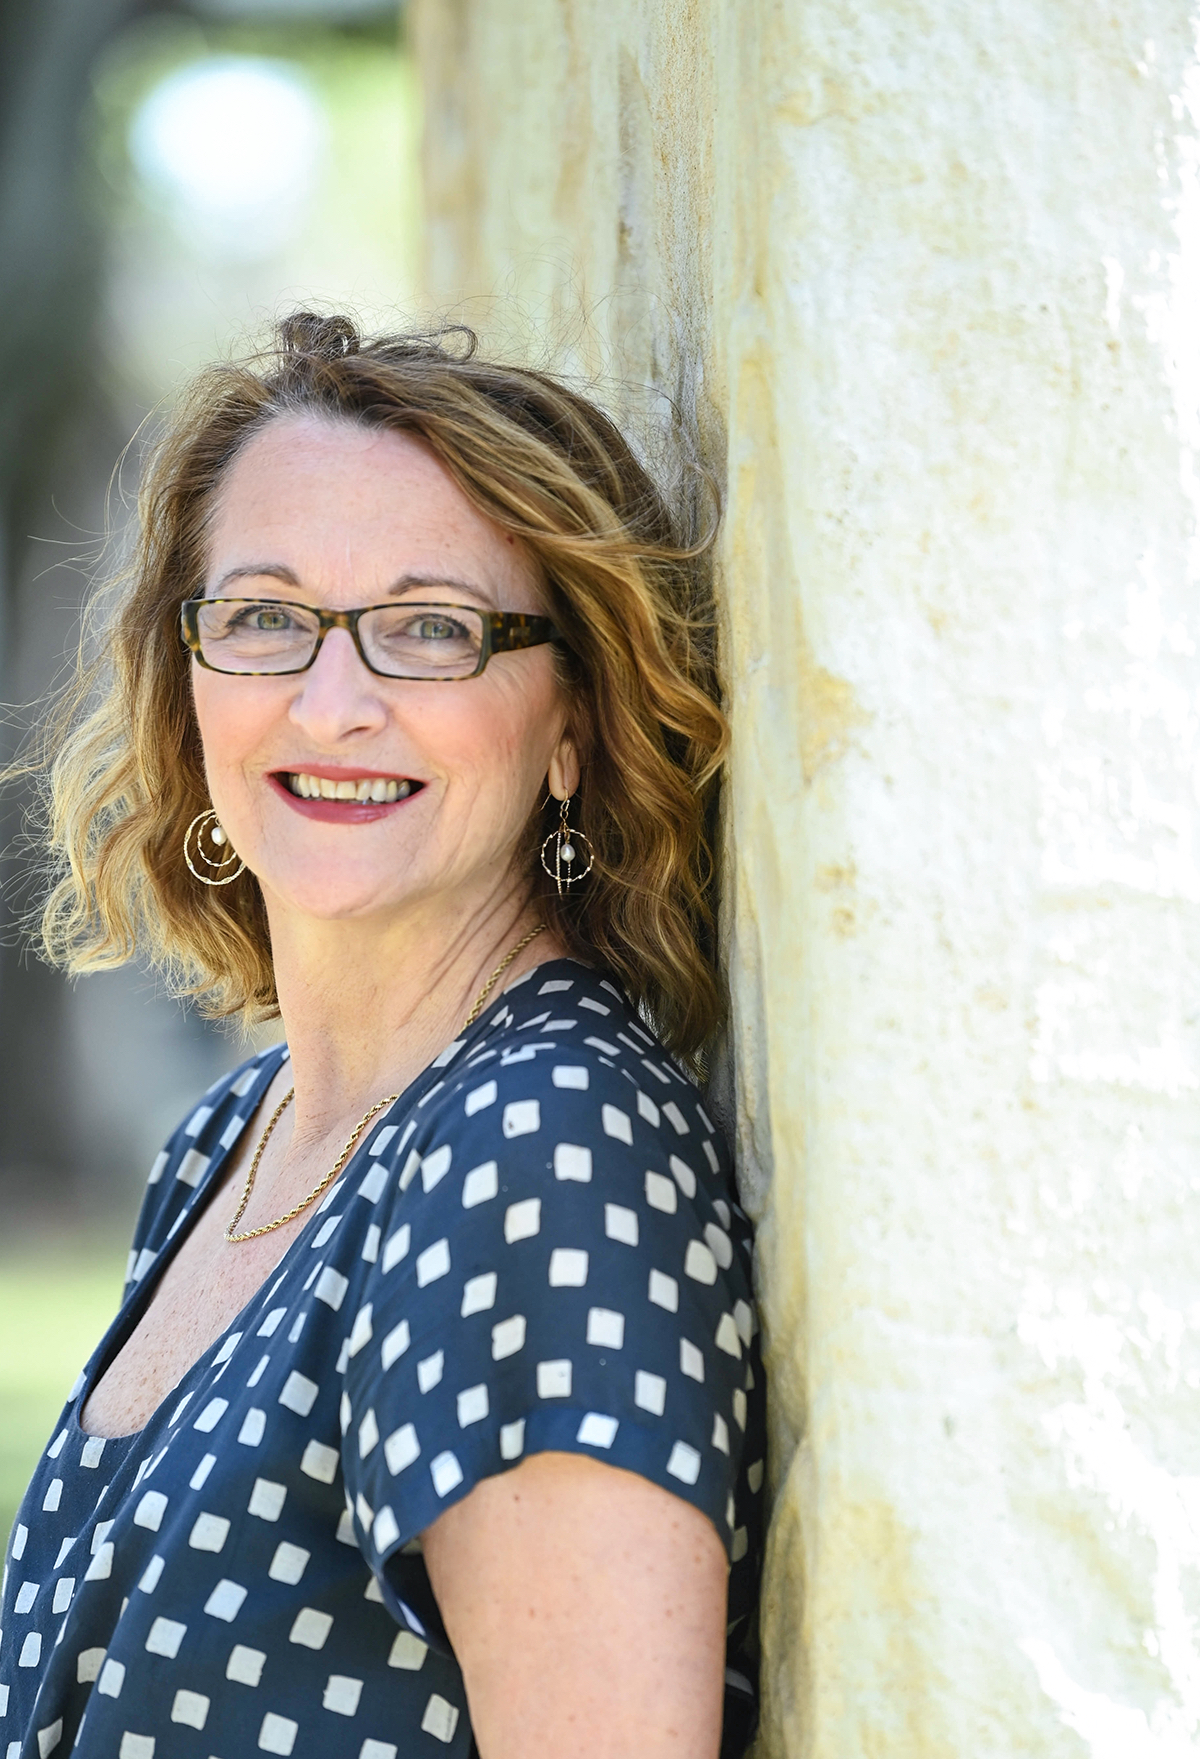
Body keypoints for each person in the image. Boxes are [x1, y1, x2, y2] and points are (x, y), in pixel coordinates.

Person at [0, 312, 765, 1759]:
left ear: (571, 729)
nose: (331, 702)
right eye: (266, 616)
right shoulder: (239, 1136)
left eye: (430, 629)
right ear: (190, 680)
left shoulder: (543, 1151)